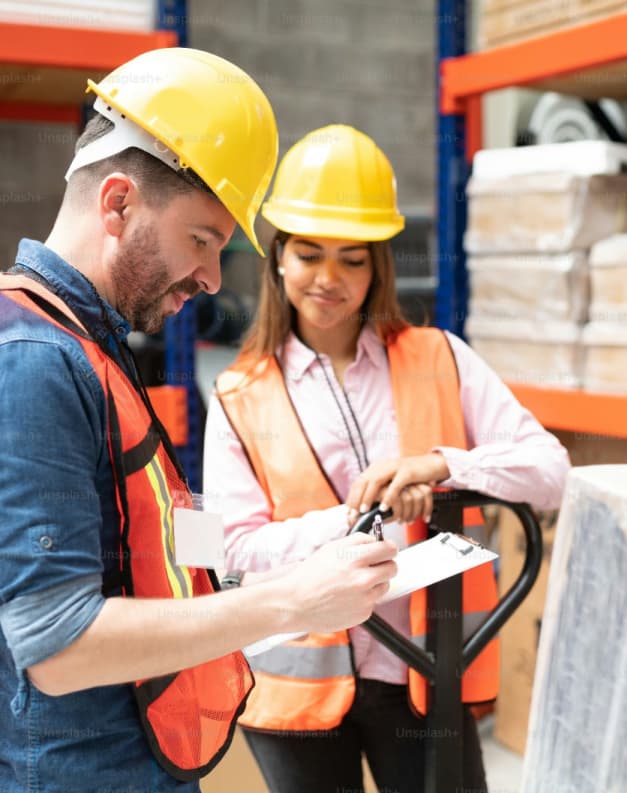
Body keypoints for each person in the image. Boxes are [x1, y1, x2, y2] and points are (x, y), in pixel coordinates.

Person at [0, 53, 399, 793]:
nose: (213, 279)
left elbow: (144, 528)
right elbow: (55, 642)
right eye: (202, 240)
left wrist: (264, 551)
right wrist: (297, 598)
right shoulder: (33, 360)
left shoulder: (91, 344)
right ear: (117, 202)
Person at [203, 124, 571, 793]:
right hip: (296, 691)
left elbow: (548, 472)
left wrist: (442, 467)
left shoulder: (439, 356)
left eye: (352, 257)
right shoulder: (236, 394)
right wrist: (357, 519)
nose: (328, 278)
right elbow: (230, 547)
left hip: (422, 673)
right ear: (278, 258)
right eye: (309, 254)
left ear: (377, 266)